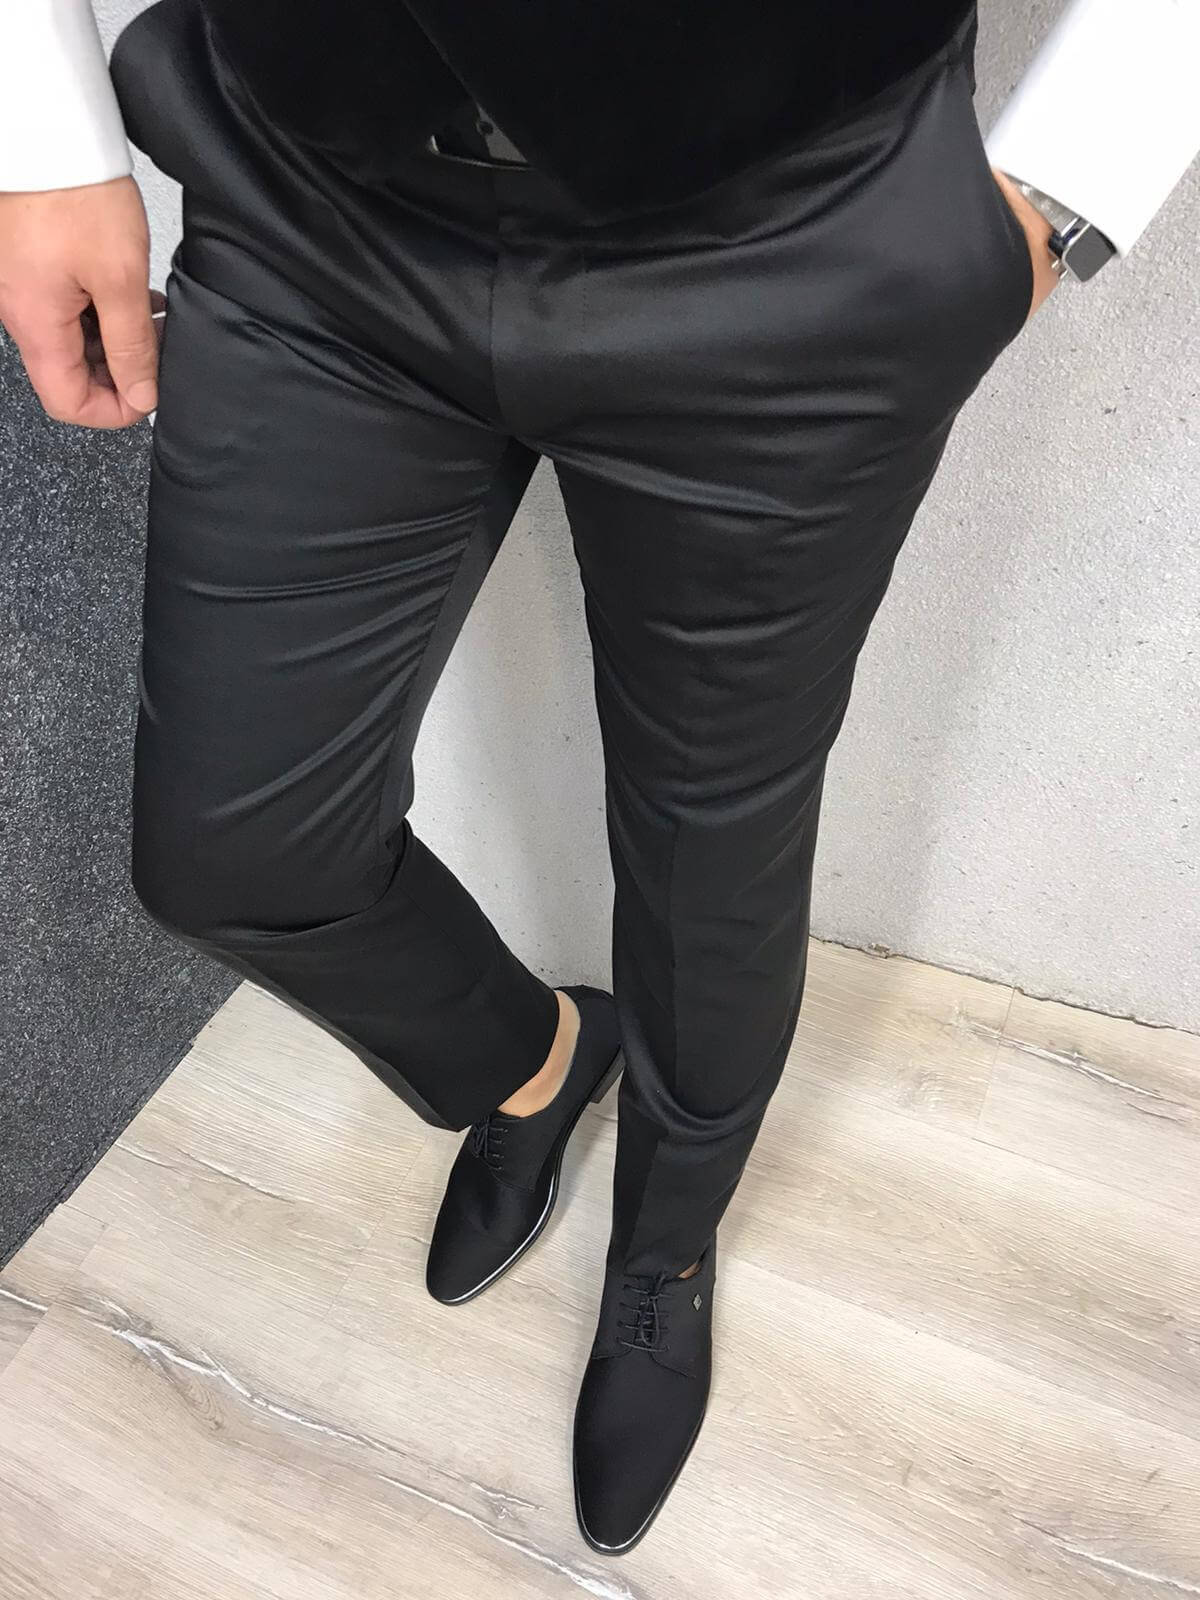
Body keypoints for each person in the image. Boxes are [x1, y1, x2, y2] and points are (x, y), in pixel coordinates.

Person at [1, 0, 1197, 1557]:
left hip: (789, 240)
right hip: (312, 204)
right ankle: (541, 1059)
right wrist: (42, 127)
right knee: (235, 854)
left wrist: (1063, 186)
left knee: (711, 867)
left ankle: (667, 1247)